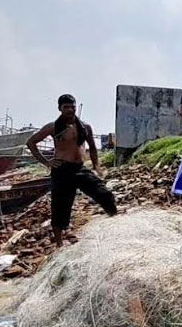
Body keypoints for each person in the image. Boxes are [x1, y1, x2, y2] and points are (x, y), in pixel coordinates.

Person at [26, 94, 118, 248]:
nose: (70, 110)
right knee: (60, 207)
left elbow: (93, 148)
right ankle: (59, 244)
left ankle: (116, 222)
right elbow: (31, 142)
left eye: (72, 106)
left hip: (80, 168)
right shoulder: (53, 127)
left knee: (104, 194)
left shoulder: (85, 127)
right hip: (62, 170)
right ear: (60, 109)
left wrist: (96, 166)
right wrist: (46, 162)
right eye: (66, 107)